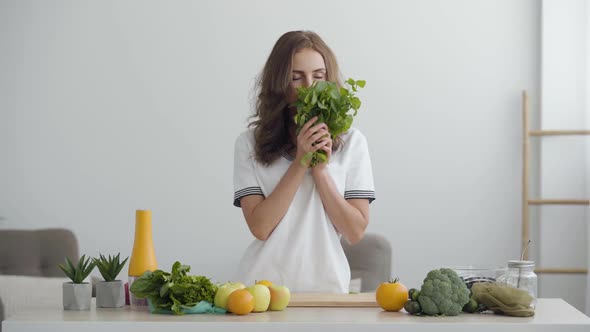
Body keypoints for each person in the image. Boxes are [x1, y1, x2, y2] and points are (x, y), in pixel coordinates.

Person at [232, 31, 375, 293]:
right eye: (296, 78)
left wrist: (320, 170)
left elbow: (355, 231)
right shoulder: (248, 144)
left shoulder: (353, 142)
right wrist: (300, 162)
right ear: (279, 84)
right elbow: (260, 228)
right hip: (261, 290)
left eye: (318, 76)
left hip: (328, 290)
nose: (309, 86)